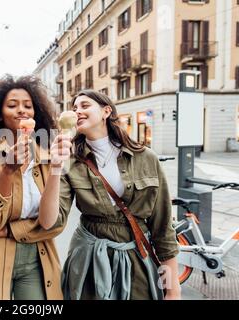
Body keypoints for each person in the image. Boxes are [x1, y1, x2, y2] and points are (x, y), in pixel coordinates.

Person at [39, 89, 181, 300]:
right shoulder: (70, 161)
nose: (77, 111)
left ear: (106, 111)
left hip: (136, 259)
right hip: (88, 261)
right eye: (74, 108)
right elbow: (49, 221)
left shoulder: (145, 157)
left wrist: (173, 289)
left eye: (85, 106)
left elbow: (163, 228)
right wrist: (55, 167)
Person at [0, 75, 65, 300]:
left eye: (28, 106)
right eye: (12, 105)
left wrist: (10, 230)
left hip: (37, 258)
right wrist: (8, 171)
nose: (22, 110)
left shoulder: (50, 156)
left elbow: (57, 222)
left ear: (35, 114)